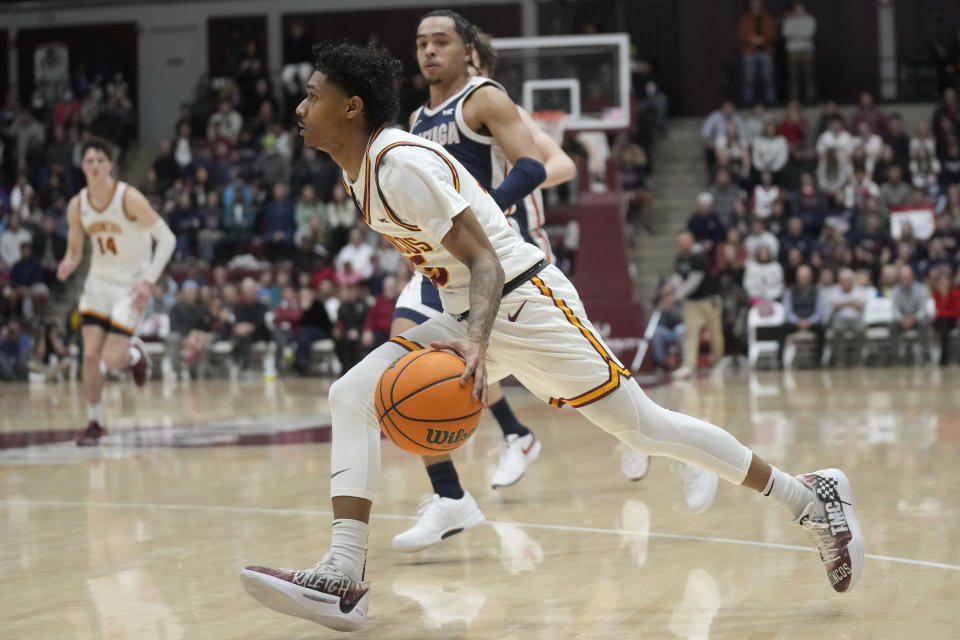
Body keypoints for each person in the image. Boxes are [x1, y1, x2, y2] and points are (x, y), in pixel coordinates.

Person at [240, 40, 865, 632]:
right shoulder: (361, 174)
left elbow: (485, 259)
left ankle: (807, 495)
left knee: (644, 428)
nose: (299, 108)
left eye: (313, 95)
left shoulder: (395, 164)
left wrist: (478, 343)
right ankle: (344, 575)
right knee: (351, 393)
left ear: (351, 108)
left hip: (523, 304)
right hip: (471, 311)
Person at [391, 12, 586, 552]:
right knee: (407, 359)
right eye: (422, 43)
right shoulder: (416, 118)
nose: (430, 52)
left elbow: (547, 163)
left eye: (442, 42)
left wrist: (485, 208)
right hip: (438, 263)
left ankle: (641, 438)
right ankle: (451, 492)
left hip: (500, 256)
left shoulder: (489, 99)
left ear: (467, 50)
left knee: (572, 385)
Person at [57, 137, 176, 445]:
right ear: (82, 167)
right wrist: (68, 264)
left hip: (131, 286)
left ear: (110, 165)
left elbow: (167, 239)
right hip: (98, 283)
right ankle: (95, 421)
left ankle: (135, 355)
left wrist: (148, 281)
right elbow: (74, 250)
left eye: (100, 160)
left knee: (111, 359)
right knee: (90, 354)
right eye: (89, 161)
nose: (95, 166)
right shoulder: (77, 205)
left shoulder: (129, 198)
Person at [672, 232, 724, 378]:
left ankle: (718, 362)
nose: (681, 244)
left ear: (691, 241)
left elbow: (694, 281)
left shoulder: (699, 256)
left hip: (709, 300)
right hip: (691, 303)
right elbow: (677, 277)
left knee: (715, 333)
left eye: (684, 241)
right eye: (679, 242)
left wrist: (675, 296)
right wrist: (670, 288)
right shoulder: (680, 258)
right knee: (690, 333)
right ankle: (689, 365)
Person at [824, 268, 868, 367]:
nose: (844, 283)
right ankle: (840, 360)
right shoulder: (835, 290)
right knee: (837, 330)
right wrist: (852, 302)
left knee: (861, 330)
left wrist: (843, 303)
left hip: (857, 319)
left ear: (851, 281)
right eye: (842, 281)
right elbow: (835, 304)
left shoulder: (860, 290)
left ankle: (856, 361)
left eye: (846, 281)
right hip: (840, 319)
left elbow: (861, 305)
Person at [737, 0, 777, 106]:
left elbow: (773, 34)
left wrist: (763, 39)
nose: (756, 6)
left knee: (768, 78)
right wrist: (751, 39)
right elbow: (740, 35)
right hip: (749, 51)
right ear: (750, 5)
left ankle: (771, 102)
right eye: (754, 3)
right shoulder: (745, 19)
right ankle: (748, 103)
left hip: (766, 51)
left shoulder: (767, 18)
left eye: (758, 3)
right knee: (748, 79)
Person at [890, 265, 931, 362]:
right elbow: (895, 309)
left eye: (907, 276)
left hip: (917, 319)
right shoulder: (895, 290)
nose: (905, 279)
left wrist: (913, 318)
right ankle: (894, 356)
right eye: (903, 277)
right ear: (900, 278)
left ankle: (925, 355)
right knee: (892, 325)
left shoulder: (921, 289)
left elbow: (922, 309)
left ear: (912, 276)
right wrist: (902, 318)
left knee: (925, 324)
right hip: (902, 319)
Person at [781, 1, 817, 104]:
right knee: (793, 76)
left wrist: (795, 34)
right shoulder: (788, 20)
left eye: (800, 8)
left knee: (809, 76)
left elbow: (809, 33)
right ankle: (794, 100)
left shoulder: (810, 19)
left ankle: (810, 99)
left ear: (804, 9)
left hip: (807, 50)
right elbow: (786, 33)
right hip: (792, 51)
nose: (798, 10)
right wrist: (801, 34)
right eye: (796, 8)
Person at [932, 271, 960, 365]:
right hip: (937, 322)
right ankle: (944, 356)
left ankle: (945, 356)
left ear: (949, 283)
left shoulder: (955, 293)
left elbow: (956, 312)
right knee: (943, 322)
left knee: (944, 322)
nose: (943, 285)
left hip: (951, 322)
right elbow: (932, 310)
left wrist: (941, 313)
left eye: (945, 282)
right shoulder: (935, 294)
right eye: (941, 283)